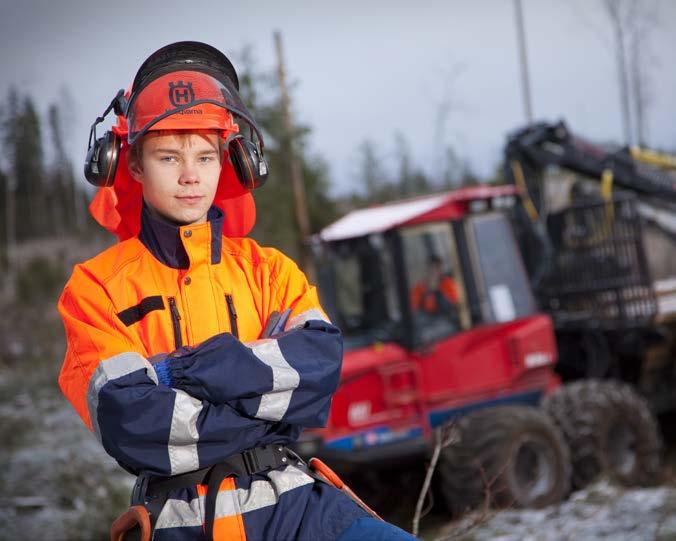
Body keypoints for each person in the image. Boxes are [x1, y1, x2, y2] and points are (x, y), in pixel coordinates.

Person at [57, 41, 418, 541]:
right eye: (168, 156)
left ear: (230, 162)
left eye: (205, 156)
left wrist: (181, 372)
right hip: (184, 524)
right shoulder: (95, 288)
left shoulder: (269, 271)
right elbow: (133, 428)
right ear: (133, 164)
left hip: (300, 507)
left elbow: (320, 368)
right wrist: (267, 409)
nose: (191, 176)